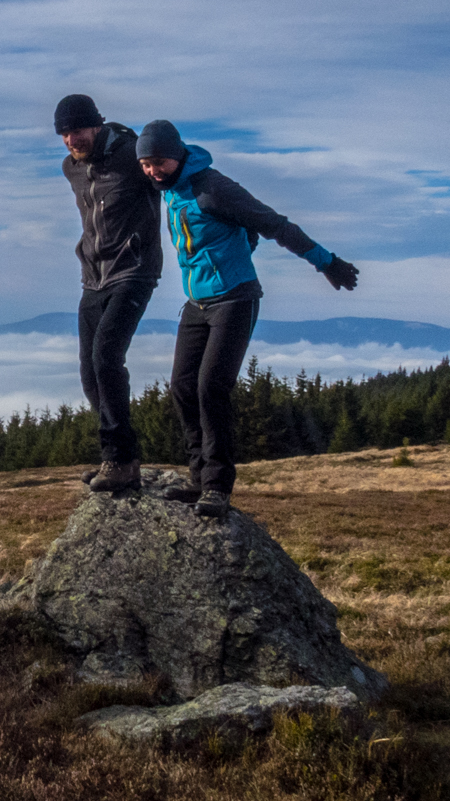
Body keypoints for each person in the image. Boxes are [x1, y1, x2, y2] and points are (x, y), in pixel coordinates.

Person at [137, 120, 359, 518]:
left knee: (210, 388)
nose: (153, 171)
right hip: (196, 304)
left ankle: (217, 487)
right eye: (146, 164)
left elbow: (271, 223)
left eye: (159, 162)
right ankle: (198, 478)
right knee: (183, 388)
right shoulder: (169, 190)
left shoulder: (213, 187)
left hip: (235, 299)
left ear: (178, 154)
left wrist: (326, 262)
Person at [55, 94, 161, 493]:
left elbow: (178, 174)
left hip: (134, 271)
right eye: (63, 133)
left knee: (106, 357)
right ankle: (120, 459)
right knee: (89, 373)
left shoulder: (133, 154)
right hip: (93, 278)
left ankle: (119, 459)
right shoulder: (72, 168)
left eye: (76, 130)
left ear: (96, 124)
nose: (70, 139)